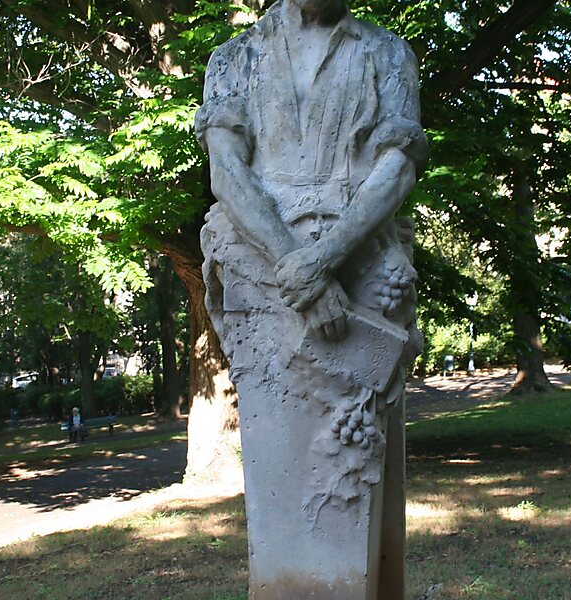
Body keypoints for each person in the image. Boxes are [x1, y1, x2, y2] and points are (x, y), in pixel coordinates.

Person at [196, 0, 426, 595]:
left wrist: (322, 262)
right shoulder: (234, 59)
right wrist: (296, 270)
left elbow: (398, 168)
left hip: (361, 267)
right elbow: (227, 172)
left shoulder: (386, 52)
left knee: (355, 476)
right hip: (262, 275)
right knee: (285, 472)